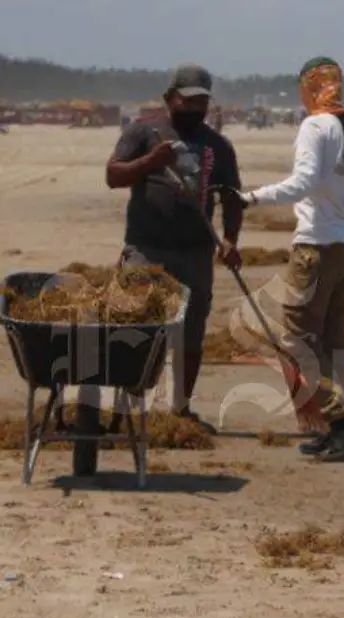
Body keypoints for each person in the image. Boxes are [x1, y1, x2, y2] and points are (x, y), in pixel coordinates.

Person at [235, 56, 344, 461]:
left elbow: (301, 183)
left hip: (316, 249)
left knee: (297, 341)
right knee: (332, 340)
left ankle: (343, 421)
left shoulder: (314, 127)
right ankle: (334, 431)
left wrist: (251, 198)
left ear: (308, 88)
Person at [95, 62, 243, 434]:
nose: (194, 108)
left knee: (190, 335)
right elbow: (113, 175)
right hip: (146, 250)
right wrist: (151, 162)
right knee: (135, 330)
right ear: (169, 98)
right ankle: (124, 412)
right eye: (187, 101)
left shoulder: (218, 146)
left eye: (201, 102)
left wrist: (230, 240)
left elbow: (231, 197)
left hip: (195, 254)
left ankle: (181, 410)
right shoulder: (143, 132)